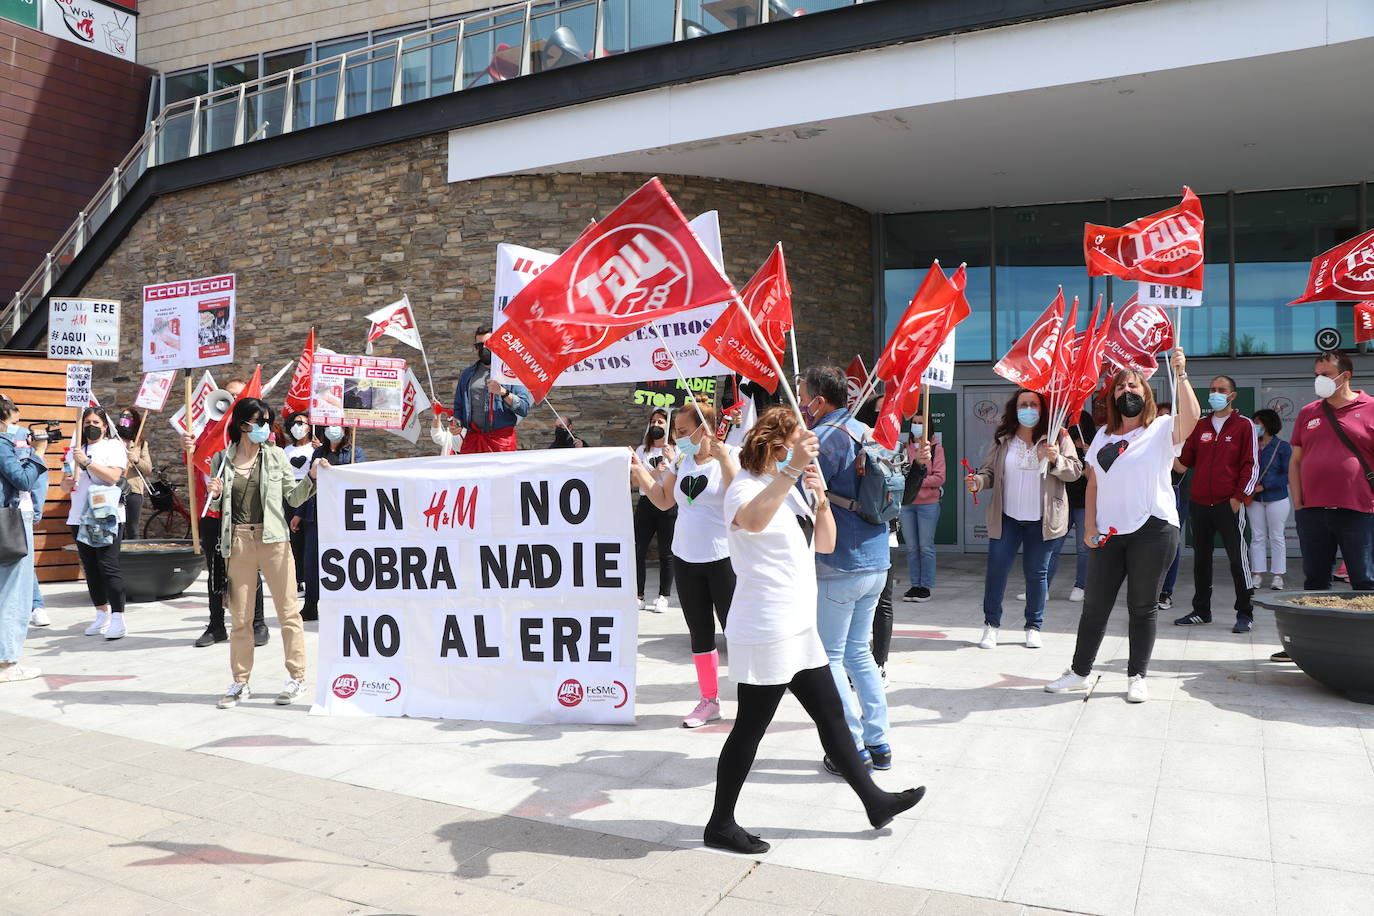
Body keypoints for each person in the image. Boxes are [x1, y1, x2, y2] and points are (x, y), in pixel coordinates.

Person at [703, 406, 924, 855]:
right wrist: (791, 471)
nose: (800, 455)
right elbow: (751, 521)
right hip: (766, 626)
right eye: (791, 446)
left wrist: (820, 500)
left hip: (799, 625)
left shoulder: (793, 489)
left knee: (831, 715)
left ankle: (875, 801)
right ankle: (720, 823)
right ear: (771, 445)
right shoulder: (745, 486)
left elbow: (824, 544)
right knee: (750, 726)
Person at [1046, 351, 1200, 703]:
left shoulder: (1161, 428)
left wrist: (1182, 375)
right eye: (1119, 387)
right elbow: (1094, 482)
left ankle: (1136, 675)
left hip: (1153, 529)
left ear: (1145, 392)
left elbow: (1191, 418)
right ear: (1111, 397)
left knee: (1142, 606)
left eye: (1133, 385)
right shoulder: (1102, 436)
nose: (1125, 391)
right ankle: (1079, 672)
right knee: (1094, 607)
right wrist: (1088, 527)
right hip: (1107, 533)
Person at [798, 366, 892, 773]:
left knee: (832, 655)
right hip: (878, 557)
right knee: (860, 653)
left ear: (819, 400)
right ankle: (880, 741)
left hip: (841, 561)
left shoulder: (821, 440)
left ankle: (851, 748)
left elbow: (800, 496)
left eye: (803, 395)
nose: (800, 403)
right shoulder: (865, 430)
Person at [630, 398, 738, 728]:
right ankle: (709, 701)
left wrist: (723, 459)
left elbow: (740, 502)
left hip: (723, 559)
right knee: (699, 634)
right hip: (686, 559)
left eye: (683, 431)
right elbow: (663, 500)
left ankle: (753, 698)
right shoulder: (681, 461)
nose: (677, 438)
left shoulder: (730, 457)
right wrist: (640, 473)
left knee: (737, 632)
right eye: (676, 432)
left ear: (705, 430)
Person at [206, 398, 318, 708]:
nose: (266, 427)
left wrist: (310, 480)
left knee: (288, 612)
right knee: (240, 618)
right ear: (243, 424)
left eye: (268, 421)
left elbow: (292, 498)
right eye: (260, 421)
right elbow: (215, 507)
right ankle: (240, 683)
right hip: (238, 541)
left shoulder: (276, 456)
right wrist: (214, 495)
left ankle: (297, 677)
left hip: (274, 540)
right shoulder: (221, 460)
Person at [966, 389, 1082, 650]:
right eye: (1023, 404)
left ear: (1042, 409)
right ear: (1014, 409)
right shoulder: (1004, 439)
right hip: (1007, 517)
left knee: (1037, 574)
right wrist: (979, 482)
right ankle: (991, 625)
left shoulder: (1058, 436)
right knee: (996, 570)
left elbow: (1075, 471)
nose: (1028, 409)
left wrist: (1056, 459)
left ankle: (1033, 626)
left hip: (1042, 520)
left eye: (1033, 404)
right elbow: (989, 472)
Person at [184, 379, 268, 648]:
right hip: (212, 513)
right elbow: (196, 467)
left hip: (243, 517)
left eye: (238, 396)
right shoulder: (207, 430)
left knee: (250, 568)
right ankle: (216, 625)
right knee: (215, 571)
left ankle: (258, 623)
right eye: (229, 395)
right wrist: (188, 446)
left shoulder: (259, 433)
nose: (233, 401)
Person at [1174, 375, 1259, 633]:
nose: (1215, 393)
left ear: (1232, 395)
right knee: (1201, 560)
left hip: (1228, 503)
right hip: (1199, 503)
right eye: (1212, 389)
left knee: (1237, 559)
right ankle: (1201, 611)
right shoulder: (1200, 426)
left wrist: (1238, 498)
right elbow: (1184, 462)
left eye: (1221, 390)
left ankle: (1245, 613)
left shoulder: (1244, 425)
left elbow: (1251, 465)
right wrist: (1168, 447)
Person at [1289, 350, 1374, 592]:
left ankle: (1365, 631)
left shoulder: (1371, 407)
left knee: (1365, 581)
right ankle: (1315, 631)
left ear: (1346, 375)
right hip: (1312, 511)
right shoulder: (1308, 412)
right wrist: (1298, 503)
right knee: (1315, 582)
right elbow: (1295, 461)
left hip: (1360, 510)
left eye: (1326, 374)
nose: (1319, 380)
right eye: (1316, 375)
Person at [61, 407, 130, 640]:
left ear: (104, 425)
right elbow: (63, 485)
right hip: (79, 515)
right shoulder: (75, 450)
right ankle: (101, 613)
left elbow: (113, 476)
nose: (91, 425)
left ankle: (119, 617)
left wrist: (87, 462)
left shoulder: (113, 446)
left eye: (96, 422)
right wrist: (69, 479)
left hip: (106, 516)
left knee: (107, 566)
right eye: (87, 421)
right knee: (90, 568)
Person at [0, 395, 50, 682]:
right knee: (13, 593)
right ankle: (7, 662)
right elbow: (22, 480)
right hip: (11, 522)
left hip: (10, 521)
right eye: (13, 422)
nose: (16, 429)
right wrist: (38, 453)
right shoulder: (2, 444)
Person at [295, 424, 365, 621]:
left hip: (343, 514)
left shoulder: (355, 453)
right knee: (312, 561)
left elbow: (357, 480)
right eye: (329, 426)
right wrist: (299, 512)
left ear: (345, 430)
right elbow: (310, 482)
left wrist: (331, 470)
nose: (333, 430)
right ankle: (310, 604)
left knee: (343, 561)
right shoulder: (318, 451)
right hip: (316, 512)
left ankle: (344, 605)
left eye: (337, 426)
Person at [452, 324, 532, 453]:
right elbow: (458, 407)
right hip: (473, 440)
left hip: (501, 442)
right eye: (479, 346)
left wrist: (503, 392)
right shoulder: (467, 375)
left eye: (487, 344)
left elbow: (523, 408)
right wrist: (457, 423)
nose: (483, 349)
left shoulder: (511, 372)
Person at [6, 404, 50, 628]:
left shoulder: (23, 438)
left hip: (16, 511)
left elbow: (37, 477)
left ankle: (36, 605)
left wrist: (36, 508)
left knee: (20, 559)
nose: (17, 428)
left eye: (16, 423)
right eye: (13, 423)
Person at [1046, 411, 1096, 603]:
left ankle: (1080, 586)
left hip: (1085, 502)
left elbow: (1098, 475)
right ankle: (1042, 587)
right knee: (1053, 545)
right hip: (1063, 500)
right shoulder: (1060, 443)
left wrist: (1087, 462)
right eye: (1071, 424)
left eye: (1079, 424)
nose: (1074, 429)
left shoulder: (1093, 445)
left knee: (1083, 548)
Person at [633, 408, 676, 614]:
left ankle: (663, 596)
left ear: (669, 426)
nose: (656, 426)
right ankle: (638, 595)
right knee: (637, 549)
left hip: (668, 504)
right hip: (646, 503)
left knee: (666, 552)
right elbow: (634, 479)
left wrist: (673, 460)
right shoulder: (643, 450)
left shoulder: (675, 450)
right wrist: (653, 471)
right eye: (653, 422)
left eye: (661, 422)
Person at [1246, 408, 1292, 591]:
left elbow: (1288, 474)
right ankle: (1256, 574)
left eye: (1258, 422)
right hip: (1254, 499)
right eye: (1254, 422)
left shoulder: (1283, 447)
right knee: (1257, 536)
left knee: (1277, 536)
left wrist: (1265, 485)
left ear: (1268, 424)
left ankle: (1278, 576)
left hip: (1277, 498)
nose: (1255, 426)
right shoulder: (1251, 445)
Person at [899, 421, 942, 603]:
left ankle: (925, 587)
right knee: (911, 548)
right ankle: (915, 585)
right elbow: (899, 474)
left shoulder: (935, 449)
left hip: (928, 504)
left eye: (921, 422)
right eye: (915, 422)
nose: (917, 425)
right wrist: (915, 479)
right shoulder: (903, 448)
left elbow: (939, 477)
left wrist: (914, 480)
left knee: (926, 547)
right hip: (907, 504)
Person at [282, 410, 315, 595]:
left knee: (308, 540)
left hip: (309, 492)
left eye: (302, 423)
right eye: (295, 423)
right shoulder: (286, 451)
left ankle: (309, 577)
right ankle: (296, 580)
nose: (298, 427)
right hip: (289, 495)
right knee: (293, 540)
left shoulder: (314, 448)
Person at [115, 409, 152, 540]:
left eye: (128, 417)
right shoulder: (112, 440)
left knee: (132, 528)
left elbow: (148, 469)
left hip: (133, 490)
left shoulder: (140, 443)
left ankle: (133, 558)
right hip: (115, 488)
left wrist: (136, 460)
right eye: (123, 416)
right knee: (117, 527)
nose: (125, 419)